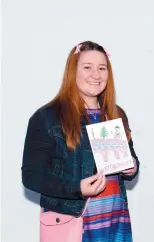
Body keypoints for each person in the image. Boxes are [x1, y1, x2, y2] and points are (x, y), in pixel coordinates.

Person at [21, 41, 140, 242]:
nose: (96, 75)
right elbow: (31, 176)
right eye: (87, 67)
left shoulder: (115, 114)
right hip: (74, 222)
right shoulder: (46, 118)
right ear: (72, 71)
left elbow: (131, 162)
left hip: (114, 219)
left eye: (102, 68)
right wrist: (77, 188)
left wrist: (132, 167)